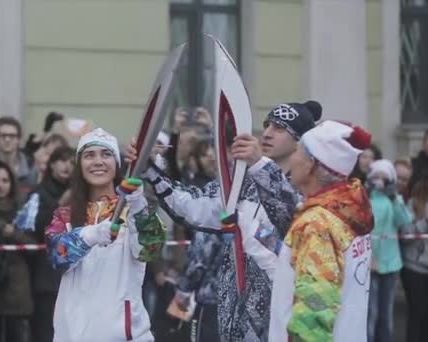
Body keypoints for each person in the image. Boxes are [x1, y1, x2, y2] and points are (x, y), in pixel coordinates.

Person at [125, 101, 321, 341]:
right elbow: (195, 206)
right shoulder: (240, 181)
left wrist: (260, 167)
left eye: (280, 128)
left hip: (281, 318)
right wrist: (150, 171)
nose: (267, 133)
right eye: (267, 125)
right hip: (230, 313)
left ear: (300, 140)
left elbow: (290, 218)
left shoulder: (311, 189)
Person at [46, 128, 166, 341]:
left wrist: (137, 203)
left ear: (117, 163)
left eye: (106, 154)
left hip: (125, 336)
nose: (98, 161)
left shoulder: (134, 211)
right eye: (89, 155)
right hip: (73, 335)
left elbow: (150, 249)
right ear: (79, 165)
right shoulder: (65, 216)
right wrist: (91, 234)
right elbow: (57, 257)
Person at [269, 120, 374, 342]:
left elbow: (314, 311)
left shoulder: (318, 225)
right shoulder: (350, 210)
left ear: (311, 165)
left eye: (297, 151)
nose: (292, 159)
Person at [14, 146, 75, 342]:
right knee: (44, 333)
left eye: (72, 162)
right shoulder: (38, 194)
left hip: (73, 276)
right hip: (44, 278)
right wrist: (59, 207)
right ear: (52, 164)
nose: (67, 166)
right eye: (62, 160)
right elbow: (31, 231)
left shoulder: (80, 193)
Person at [0, 161, 35, 342]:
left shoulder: (23, 211)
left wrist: (15, 234)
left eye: (5, 180)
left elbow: (34, 246)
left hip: (16, 288)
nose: (0, 185)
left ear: (12, 183)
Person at [365, 159, 412, 342]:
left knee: (386, 313)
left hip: (390, 264)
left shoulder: (395, 198)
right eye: (376, 176)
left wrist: (395, 200)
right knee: (371, 313)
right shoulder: (365, 198)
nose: (379, 180)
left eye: (384, 177)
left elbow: (404, 221)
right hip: (369, 264)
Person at [0, 116, 38, 200]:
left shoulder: (31, 168)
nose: (7, 139)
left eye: (12, 136)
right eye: (3, 135)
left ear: (18, 139)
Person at [400, 174, 428, 342]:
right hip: (414, 268)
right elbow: (405, 235)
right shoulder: (413, 203)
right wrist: (424, 222)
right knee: (417, 312)